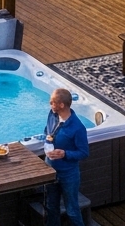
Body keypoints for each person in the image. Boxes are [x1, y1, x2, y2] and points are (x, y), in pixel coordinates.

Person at [43, 87, 89, 226]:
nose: (50, 104)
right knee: (51, 207)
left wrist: (65, 153)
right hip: (50, 170)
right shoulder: (52, 115)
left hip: (68, 174)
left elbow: (84, 152)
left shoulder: (78, 128)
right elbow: (46, 130)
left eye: (52, 102)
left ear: (61, 105)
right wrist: (47, 139)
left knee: (72, 210)